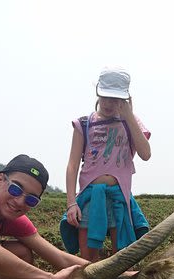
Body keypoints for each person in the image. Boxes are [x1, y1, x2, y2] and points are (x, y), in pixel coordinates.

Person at [61, 66, 152, 262]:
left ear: (125, 99)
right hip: (90, 197)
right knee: (88, 260)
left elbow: (145, 154)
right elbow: (72, 165)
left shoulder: (131, 122)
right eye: (106, 97)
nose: (110, 103)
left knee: (123, 259)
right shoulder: (84, 123)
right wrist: (71, 203)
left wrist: (128, 116)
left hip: (120, 196)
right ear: (97, 92)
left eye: (116, 99)